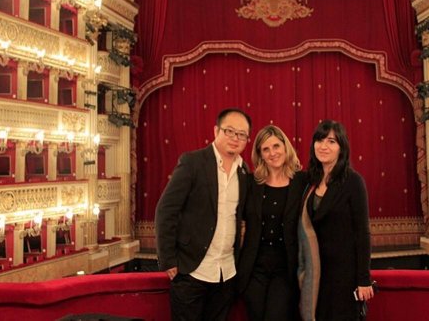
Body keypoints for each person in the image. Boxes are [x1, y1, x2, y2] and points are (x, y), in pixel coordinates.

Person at [155, 108, 252, 321]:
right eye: (229, 131)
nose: (236, 138)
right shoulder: (193, 162)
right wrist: (168, 260)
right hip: (191, 270)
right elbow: (166, 210)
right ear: (216, 130)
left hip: (226, 272)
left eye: (242, 134)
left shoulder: (244, 171)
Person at [298, 119, 373, 320]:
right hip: (316, 272)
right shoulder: (309, 181)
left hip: (344, 273)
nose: (323, 146)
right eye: (319, 140)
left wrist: (364, 279)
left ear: (342, 147)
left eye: (331, 141)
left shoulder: (353, 181)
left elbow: (362, 233)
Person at [238, 125, 306, 321]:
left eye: (276, 146)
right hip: (254, 268)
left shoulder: (302, 181)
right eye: (265, 149)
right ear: (260, 154)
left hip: (286, 267)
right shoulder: (250, 183)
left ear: (286, 147)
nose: (272, 153)